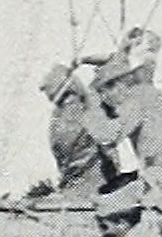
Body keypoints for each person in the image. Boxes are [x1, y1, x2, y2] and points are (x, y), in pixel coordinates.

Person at [78, 31, 162, 199]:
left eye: (106, 94)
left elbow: (106, 136)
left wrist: (92, 105)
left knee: (105, 207)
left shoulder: (137, 98)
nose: (111, 105)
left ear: (118, 85)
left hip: (160, 184)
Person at [39, 63, 118, 196]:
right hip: (98, 188)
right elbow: (108, 143)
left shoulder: (56, 121)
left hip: (71, 189)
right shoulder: (86, 110)